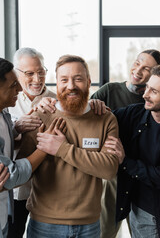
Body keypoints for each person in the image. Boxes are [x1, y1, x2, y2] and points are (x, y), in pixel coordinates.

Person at [16, 54, 119, 238]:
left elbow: (109, 169)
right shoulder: (41, 116)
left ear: (88, 82)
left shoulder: (105, 118)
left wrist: (62, 149)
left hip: (89, 225)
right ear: (56, 83)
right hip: (44, 224)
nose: (71, 85)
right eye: (64, 80)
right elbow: (24, 171)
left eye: (78, 79)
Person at [90, 49, 160, 238]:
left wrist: (125, 160)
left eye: (153, 91)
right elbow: (87, 116)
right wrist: (52, 103)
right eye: (147, 89)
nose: (145, 95)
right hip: (127, 187)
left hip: (149, 201)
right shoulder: (135, 111)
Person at [0, 57, 62, 238]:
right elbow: (10, 174)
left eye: (41, 72)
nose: (18, 89)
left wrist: (18, 133)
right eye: (13, 85)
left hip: (38, 194)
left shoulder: (4, 112)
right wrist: (45, 147)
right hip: (14, 193)